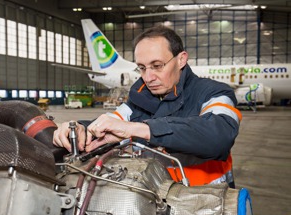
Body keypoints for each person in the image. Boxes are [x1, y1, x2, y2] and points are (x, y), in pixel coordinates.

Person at [53, 26, 241, 188]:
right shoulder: (139, 99)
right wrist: (79, 128)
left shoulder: (213, 93)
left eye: (157, 66)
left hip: (205, 207)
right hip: (152, 207)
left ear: (181, 59)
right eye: (142, 68)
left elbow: (218, 135)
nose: (148, 77)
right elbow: (113, 122)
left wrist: (140, 129)